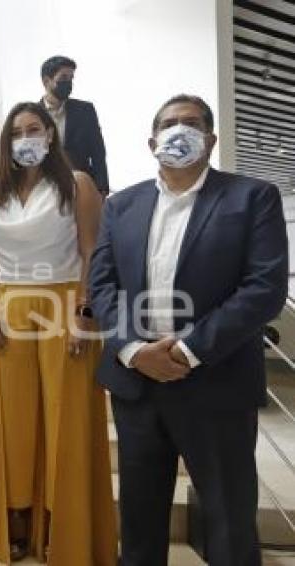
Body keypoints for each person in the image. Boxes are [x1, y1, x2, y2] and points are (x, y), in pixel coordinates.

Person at [89, 94, 288, 566]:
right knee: (139, 519)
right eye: (170, 124)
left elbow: (264, 289)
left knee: (227, 518)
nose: (180, 131)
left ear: (211, 139)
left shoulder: (251, 197)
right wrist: (135, 350)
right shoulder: (122, 205)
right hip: (137, 384)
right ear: (152, 141)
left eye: (192, 123)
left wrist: (187, 350)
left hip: (216, 381)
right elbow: (102, 285)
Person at [0, 102, 117, 564]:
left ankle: (62, 528)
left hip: (64, 304)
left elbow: (93, 252)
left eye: (34, 129)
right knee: (12, 421)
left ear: (50, 135)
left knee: (66, 417)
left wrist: (83, 314)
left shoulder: (78, 184)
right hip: (10, 309)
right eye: (17, 132)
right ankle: (15, 521)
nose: (26, 138)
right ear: (6, 142)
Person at [39, 55, 109, 196]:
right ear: (47, 81)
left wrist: (102, 187)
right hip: (45, 188)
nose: (69, 83)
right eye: (63, 77)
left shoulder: (85, 110)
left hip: (82, 186)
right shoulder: (33, 114)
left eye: (71, 78)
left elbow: (98, 151)